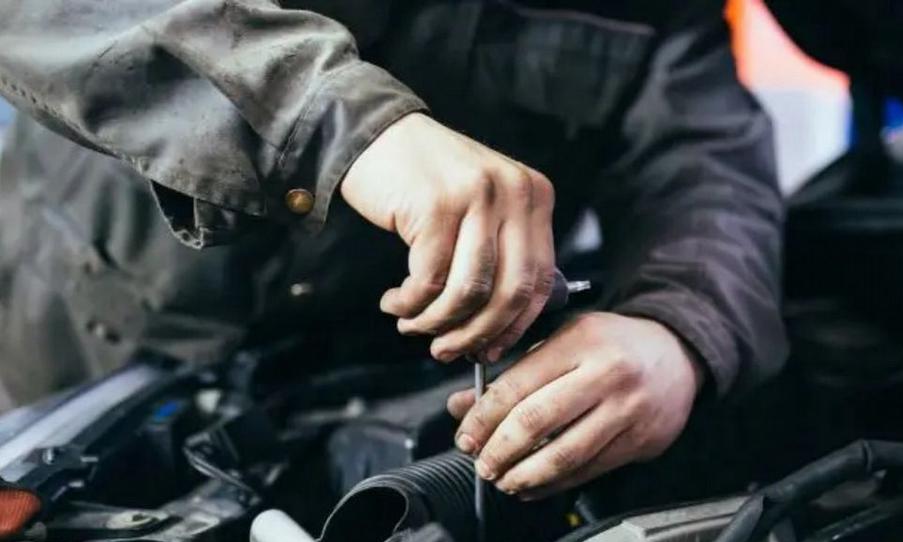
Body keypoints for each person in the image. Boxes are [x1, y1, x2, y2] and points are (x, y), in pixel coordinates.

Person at [0, 1, 786, 497]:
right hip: (79, 352)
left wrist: (678, 329)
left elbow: (703, 163)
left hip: (378, 386)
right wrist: (339, 124)